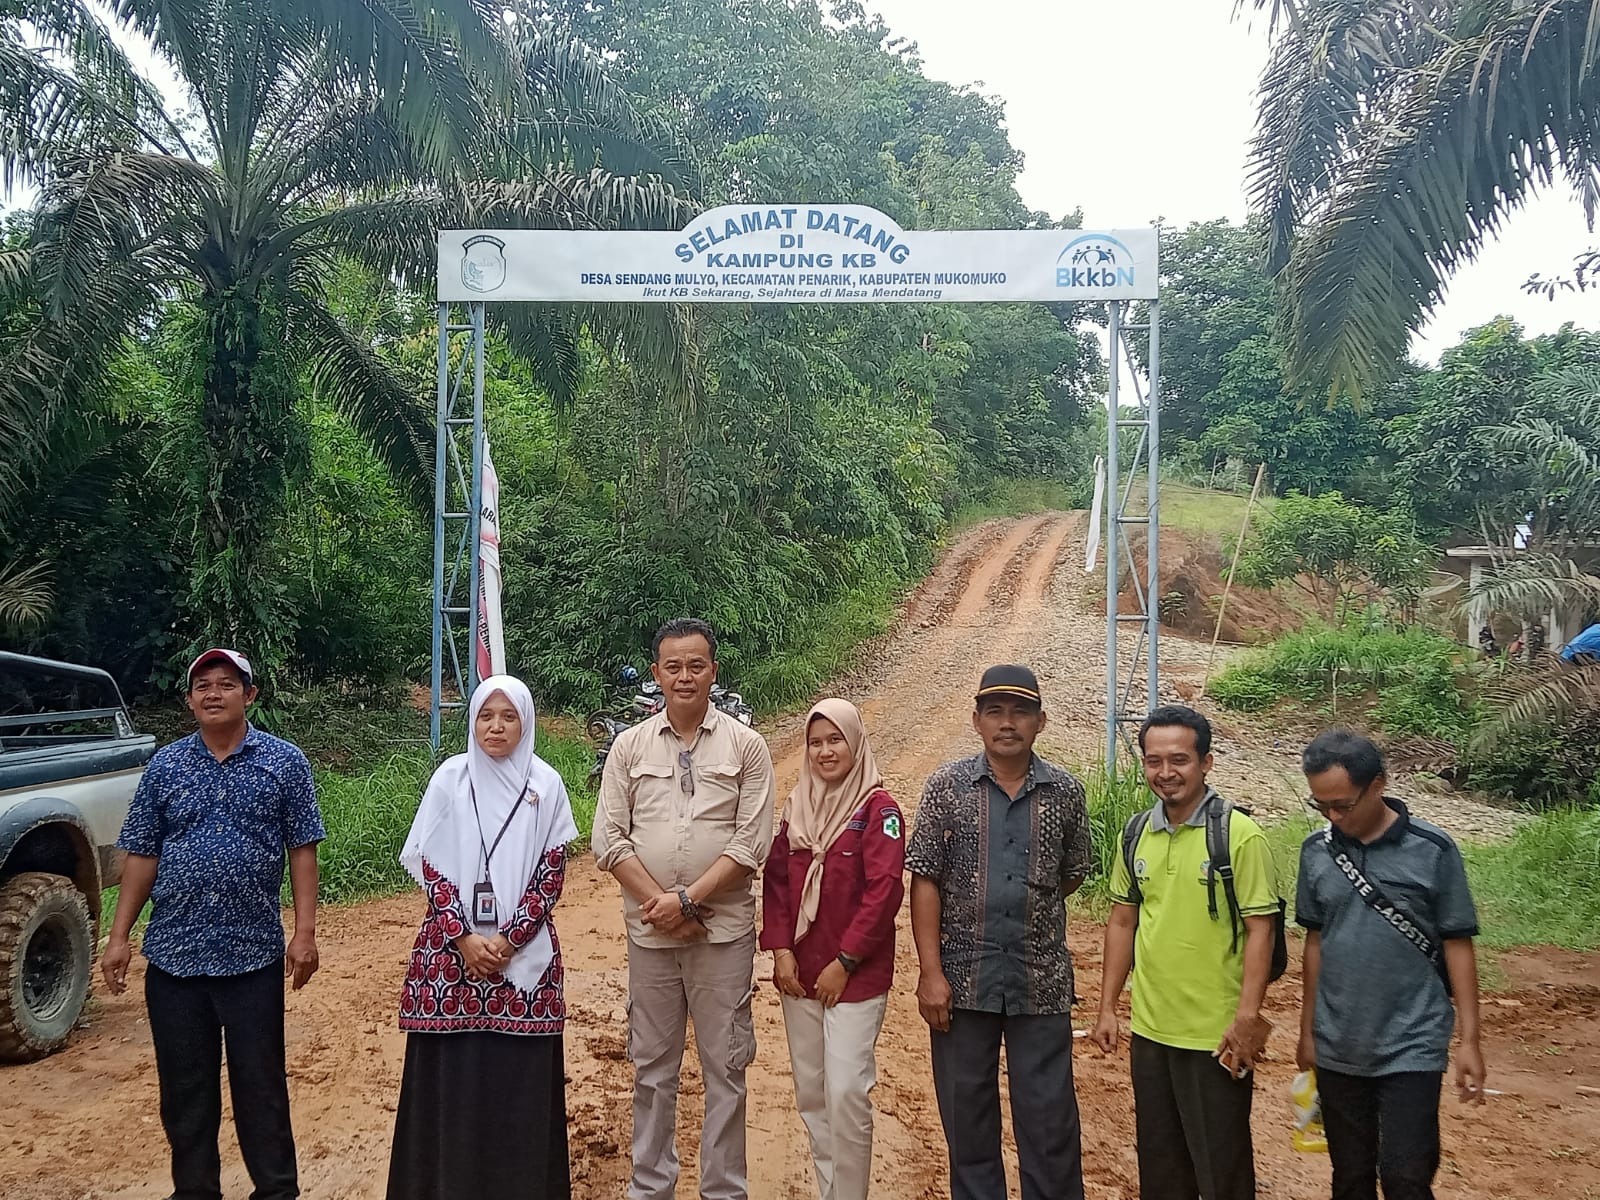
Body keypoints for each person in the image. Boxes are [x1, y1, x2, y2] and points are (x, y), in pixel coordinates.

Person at [102, 648, 324, 1200]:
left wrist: (304, 931)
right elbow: (142, 852)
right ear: (189, 700)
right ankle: (195, 1191)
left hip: (252, 956)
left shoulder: (284, 762)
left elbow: (302, 849)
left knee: (261, 1087)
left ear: (249, 696)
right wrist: (118, 936)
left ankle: (276, 1191)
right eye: (202, 685)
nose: (213, 693)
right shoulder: (167, 767)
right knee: (184, 1091)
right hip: (175, 959)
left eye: (226, 684)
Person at [592, 618, 777, 1200]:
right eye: (673, 666)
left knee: (726, 1069)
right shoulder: (629, 746)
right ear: (656, 674)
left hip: (721, 937)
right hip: (651, 937)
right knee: (652, 1068)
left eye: (696, 665)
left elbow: (750, 845)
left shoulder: (746, 747)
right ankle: (650, 1187)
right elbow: (609, 840)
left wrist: (689, 901)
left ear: (714, 672)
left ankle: (724, 1190)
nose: (685, 676)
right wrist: (662, 905)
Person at [385, 675, 577, 1199]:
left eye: (508, 716)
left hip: (526, 964)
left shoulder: (546, 783)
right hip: (451, 963)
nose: (496, 727)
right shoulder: (451, 779)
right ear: (472, 722)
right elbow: (430, 864)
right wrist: (465, 938)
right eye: (485, 716)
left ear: (526, 721)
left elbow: (551, 871)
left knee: (518, 1089)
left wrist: (510, 941)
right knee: (453, 1085)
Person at [905, 664, 1092, 1200]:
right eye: (995, 712)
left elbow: (1071, 872)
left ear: (1041, 721)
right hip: (962, 982)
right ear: (977, 721)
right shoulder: (947, 786)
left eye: (1020, 711)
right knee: (968, 1121)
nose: (1007, 723)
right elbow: (925, 879)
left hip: (1042, 982)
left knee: (1051, 1122)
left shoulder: (1065, 793)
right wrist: (931, 972)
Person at [1090, 705, 1281, 1200]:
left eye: (1179, 760)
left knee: (1222, 1168)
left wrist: (1246, 1018)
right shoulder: (1134, 833)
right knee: (1162, 1166)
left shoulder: (1239, 836)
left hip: (1215, 1035)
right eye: (1154, 761)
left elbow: (1263, 930)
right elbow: (1123, 920)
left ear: (1206, 762)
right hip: (1151, 1031)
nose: (1166, 773)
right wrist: (1109, 1006)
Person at [1296, 729, 1486, 1200]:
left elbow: (1457, 943)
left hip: (1412, 1040)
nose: (1334, 818)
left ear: (1378, 785)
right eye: (1323, 807)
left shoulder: (1433, 850)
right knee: (1350, 1175)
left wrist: (1470, 1039)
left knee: (1406, 1176)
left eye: (1343, 804)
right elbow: (1315, 941)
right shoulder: (1316, 851)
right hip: (1339, 1042)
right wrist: (1307, 1032)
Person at [761, 699, 905, 1200]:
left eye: (835, 739)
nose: (825, 751)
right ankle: (831, 1191)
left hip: (854, 977)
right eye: (815, 742)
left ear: (856, 742)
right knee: (814, 1095)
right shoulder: (798, 806)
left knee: (846, 1091)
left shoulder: (878, 810)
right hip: (800, 973)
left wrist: (845, 963)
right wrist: (780, 950)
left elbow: (884, 892)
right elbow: (777, 881)